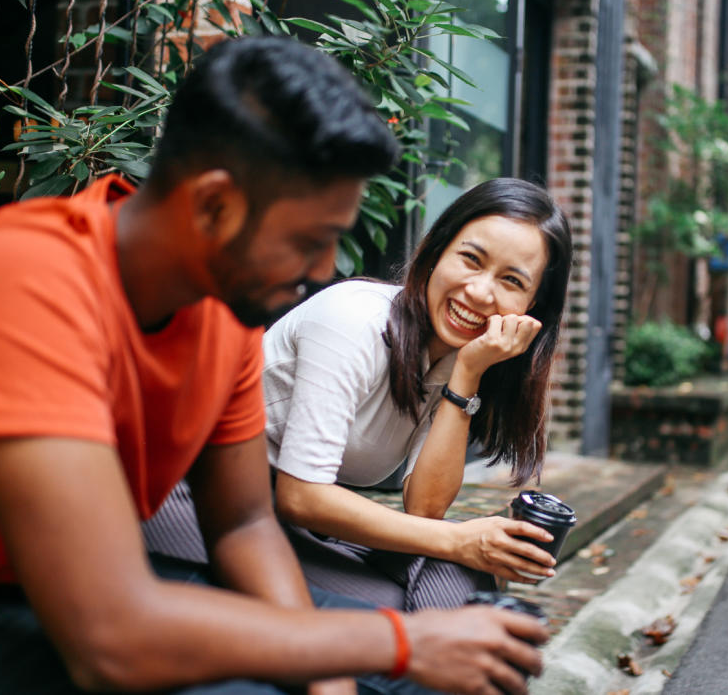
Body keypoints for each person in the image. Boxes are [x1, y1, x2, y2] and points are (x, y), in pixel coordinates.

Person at [0, 37, 546, 695]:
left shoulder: (222, 312)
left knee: (441, 676)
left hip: (65, 594)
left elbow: (244, 524)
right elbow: (107, 635)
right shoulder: (31, 280)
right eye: (309, 241)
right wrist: (395, 642)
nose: (322, 271)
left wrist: (330, 677)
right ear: (215, 205)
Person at [146, 179, 572, 611]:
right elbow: (302, 496)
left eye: (511, 281)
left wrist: (467, 375)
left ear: (532, 307)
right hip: (194, 499)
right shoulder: (352, 320)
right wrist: (462, 539)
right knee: (417, 607)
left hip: (279, 523)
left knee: (456, 584)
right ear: (438, 249)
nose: (480, 292)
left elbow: (424, 510)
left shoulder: (461, 356)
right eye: (470, 259)